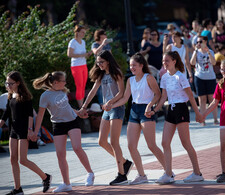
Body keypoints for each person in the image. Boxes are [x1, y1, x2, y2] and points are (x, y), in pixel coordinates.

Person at [107, 53, 166, 185]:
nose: (132, 67)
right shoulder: (130, 80)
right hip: (134, 111)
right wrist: (111, 105)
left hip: (147, 111)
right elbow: (125, 99)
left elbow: (158, 94)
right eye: (130, 65)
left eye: (134, 65)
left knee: (151, 145)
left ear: (141, 65)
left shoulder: (148, 77)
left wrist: (150, 106)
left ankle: (168, 171)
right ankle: (141, 175)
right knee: (131, 145)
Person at [32, 71, 94, 193]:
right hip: (58, 125)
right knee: (60, 154)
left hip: (72, 121)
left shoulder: (62, 91)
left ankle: (90, 173)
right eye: (63, 81)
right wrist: (35, 132)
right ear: (56, 82)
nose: (65, 82)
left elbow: (67, 107)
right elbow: (40, 116)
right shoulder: (45, 96)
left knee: (77, 147)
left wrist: (79, 113)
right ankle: (66, 183)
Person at [78, 50, 133, 185]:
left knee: (114, 142)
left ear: (108, 61)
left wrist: (111, 102)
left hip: (117, 108)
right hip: (107, 110)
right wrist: (84, 106)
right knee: (102, 141)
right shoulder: (101, 74)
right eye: (97, 62)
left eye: (101, 62)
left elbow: (121, 93)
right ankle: (125, 163)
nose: (99, 64)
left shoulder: (117, 72)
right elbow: (93, 91)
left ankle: (122, 175)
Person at [149, 51, 204, 184]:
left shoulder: (181, 76)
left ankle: (197, 173)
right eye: (163, 61)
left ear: (174, 61)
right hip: (171, 109)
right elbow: (163, 96)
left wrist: (198, 113)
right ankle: (168, 174)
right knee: (164, 142)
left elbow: (191, 96)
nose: (164, 63)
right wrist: (155, 110)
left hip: (181, 109)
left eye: (167, 60)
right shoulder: (164, 77)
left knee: (186, 143)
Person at [0, 71, 51, 194]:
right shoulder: (10, 95)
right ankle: (18, 189)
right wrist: (0, 123)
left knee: (22, 160)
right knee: (13, 159)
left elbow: (29, 115)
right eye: (7, 83)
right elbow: (7, 112)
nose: (8, 86)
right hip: (13, 130)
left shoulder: (25, 97)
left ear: (18, 83)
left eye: (10, 83)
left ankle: (45, 177)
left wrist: (30, 131)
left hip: (23, 130)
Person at [190, 36, 219, 126]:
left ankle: (215, 119)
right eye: (197, 42)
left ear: (205, 42)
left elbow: (213, 63)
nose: (198, 43)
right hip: (199, 77)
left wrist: (208, 52)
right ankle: (202, 119)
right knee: (202, 99)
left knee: (212, 99)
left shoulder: (210, 52)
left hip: (210, 77)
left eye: (200, 41)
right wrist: (195, 51)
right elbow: (192, 63)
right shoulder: (196, 52)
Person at [67, 25, 93, 108]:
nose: (83, 34)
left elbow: (82, 55)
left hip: (83, 65)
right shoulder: (72, 42)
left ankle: (82, 106)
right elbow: (69, 54)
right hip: (76, 66)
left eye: (84, 33)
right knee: (79, 86)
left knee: (83, 85)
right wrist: (82, 55)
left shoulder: (83, 42)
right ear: (77, 32)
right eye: (82, 32)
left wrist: (87, 54)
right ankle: (81, 107)